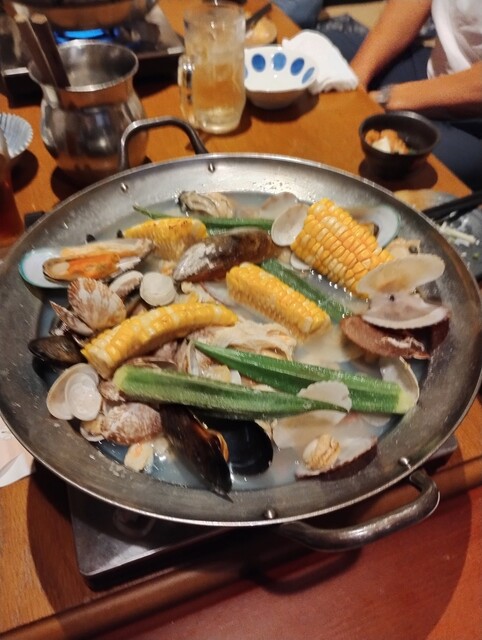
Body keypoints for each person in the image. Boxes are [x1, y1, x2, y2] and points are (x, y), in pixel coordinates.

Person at [320, 0, 482, 190]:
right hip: (434, 69)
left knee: (389, 162)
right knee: (324, 49)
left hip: (474, 117)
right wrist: (354, 79)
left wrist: (387, 98)